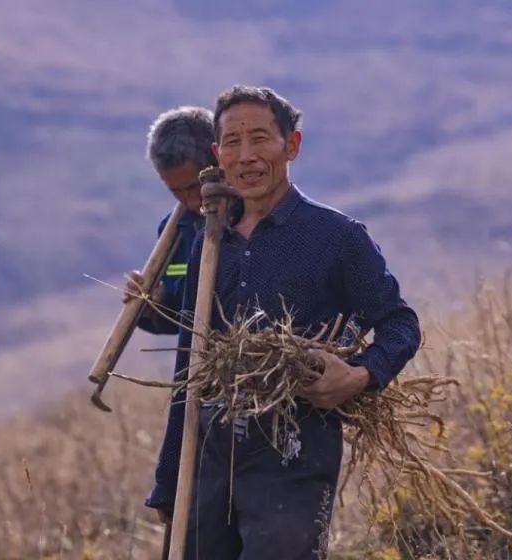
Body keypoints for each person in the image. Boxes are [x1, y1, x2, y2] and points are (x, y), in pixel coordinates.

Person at [145, 86, 422, 559]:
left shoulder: (336, 237)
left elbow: (400, 324)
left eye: (260, 139)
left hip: (295, 451)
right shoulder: (209, 245)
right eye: (232, 142)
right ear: (218, 155)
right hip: (209, 454)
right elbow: (187, 368)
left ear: (291, 146)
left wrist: (358, 376)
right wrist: (169, 480)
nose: (246, 156)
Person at [124, 106, 217, 334]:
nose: (190, 200)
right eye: (176, 191)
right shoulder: (174, 230)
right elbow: (180, 320)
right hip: (198, 365)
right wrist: (153, 305)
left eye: (194, 187)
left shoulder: (249, 219)